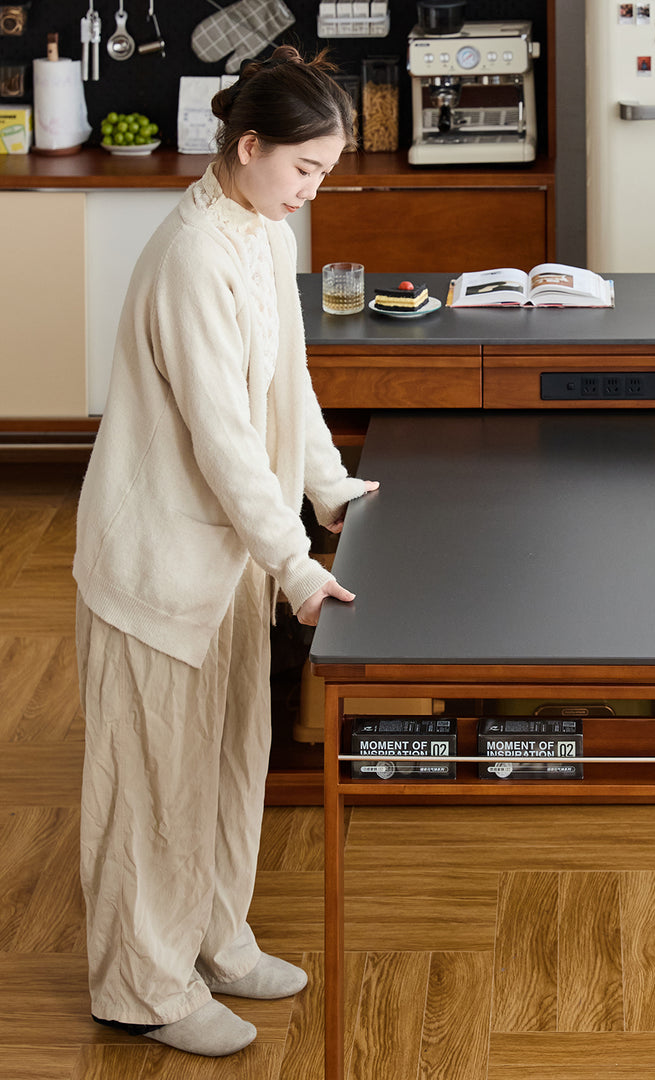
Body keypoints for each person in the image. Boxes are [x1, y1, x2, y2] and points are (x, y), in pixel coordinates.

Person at [72, 46, 378, 1057]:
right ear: (248, 148)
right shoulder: (193, 255)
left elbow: (285, 389)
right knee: (155, 784)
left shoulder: (261, 234)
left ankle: (216, 939)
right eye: (304, 170)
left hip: (233, 556)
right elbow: (223, 436)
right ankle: (143, 988)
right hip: (159, 562)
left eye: (326, 175)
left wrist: (331, 486)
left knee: (228, 761)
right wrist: (295, 562)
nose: (312, 191)